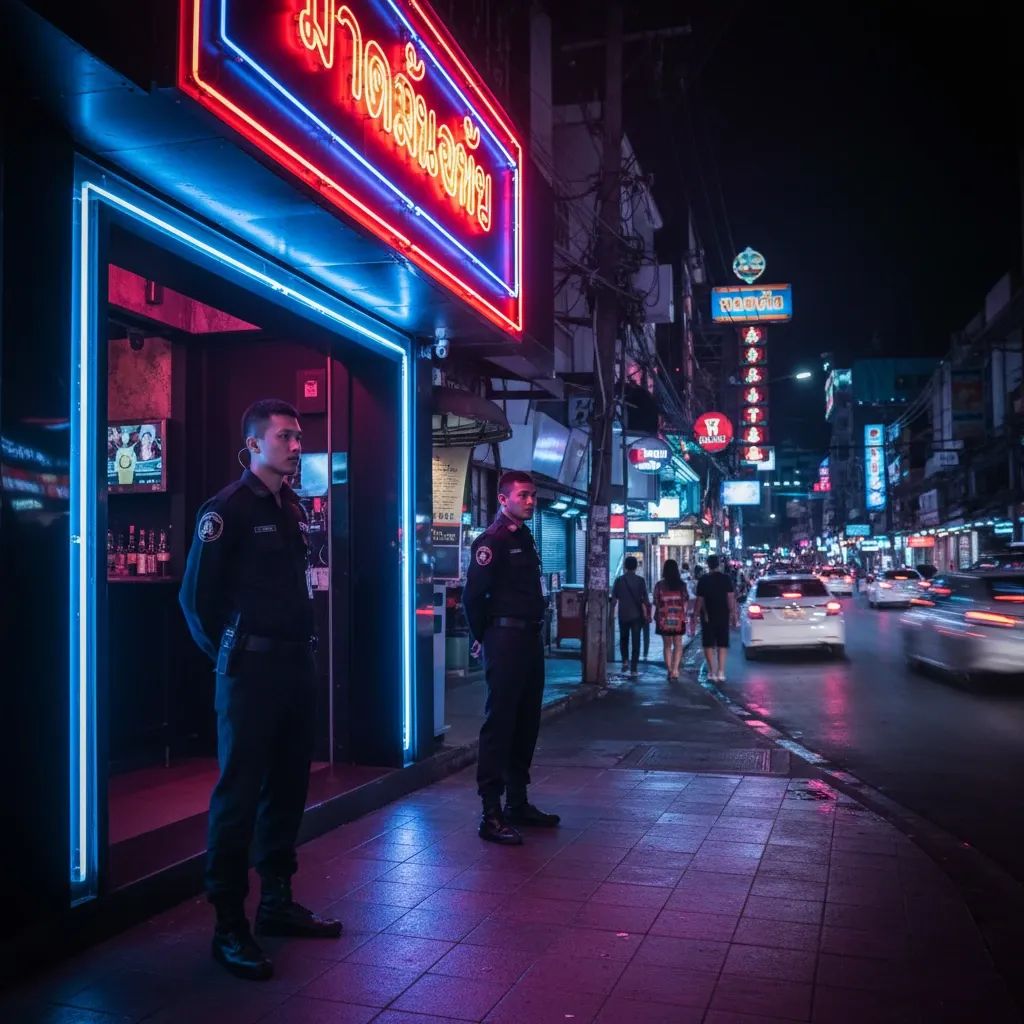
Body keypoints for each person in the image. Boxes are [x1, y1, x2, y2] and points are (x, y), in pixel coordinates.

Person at [179, 399, 341, 982]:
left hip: (296, 670)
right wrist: (229, 656)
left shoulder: (293, 508)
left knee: (288, 789)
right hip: (250, 674)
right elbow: (196, 600)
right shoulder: (227, 509)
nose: (297, 446)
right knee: (239, 796)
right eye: (285, 437)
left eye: (299, 437)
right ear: (253, 445)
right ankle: (229, 925)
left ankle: (276, 901)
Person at [462, 470, 560, 846]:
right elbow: (473, 597)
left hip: (530, 639)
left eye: (533, 495)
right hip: (504, 638)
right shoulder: (493, 541)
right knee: (500, 722)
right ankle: (491, 812)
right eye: (523, 495)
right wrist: (482, 636)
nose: (531, 501)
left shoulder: (526, 537)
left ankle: (518, 802)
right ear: (503, 499)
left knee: (526, 722)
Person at [693, 554, 738, 683]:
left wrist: (695, 615)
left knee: (708, 644)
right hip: (723, 615)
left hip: (707, 615)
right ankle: (721, 671)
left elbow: (699, 600)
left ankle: (712, 671)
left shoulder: (703, 580)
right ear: (719, 564)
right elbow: (731, 599)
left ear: (708, 565)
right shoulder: (726, 579)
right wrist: (733, 615)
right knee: (722, 643)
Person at [611, 556, 650, 678]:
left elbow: (613, 601)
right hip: (637, 616)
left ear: (625, 566)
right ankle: (634, 669)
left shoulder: (619, 580)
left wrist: (610, 616)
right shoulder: (640, 581)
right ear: (636, 566)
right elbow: (646, 600)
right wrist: (648, 613)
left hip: (623, 615)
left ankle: (625, 661)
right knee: (636, 641)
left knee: (623, 639)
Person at [653, 559, 689, 681]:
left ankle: (669, 670)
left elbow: (656, 602)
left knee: (667, 645)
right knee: (678, 644)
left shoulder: (659, 585)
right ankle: (675, 670)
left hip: (664, 618)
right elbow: (685, 602)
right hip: (678, 619)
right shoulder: (682, 585)